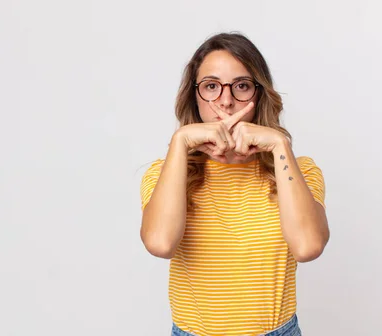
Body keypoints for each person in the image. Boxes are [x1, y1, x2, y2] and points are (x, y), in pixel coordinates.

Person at [139, 32, 329, 336]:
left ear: (259, 94)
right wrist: (181, 141)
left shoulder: (298, 170)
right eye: (212, 87)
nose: (226, 101)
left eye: (241, 86)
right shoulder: (165, 173)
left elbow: (307, 247)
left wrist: (280, 145)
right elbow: (160, 244)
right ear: (194, 96)